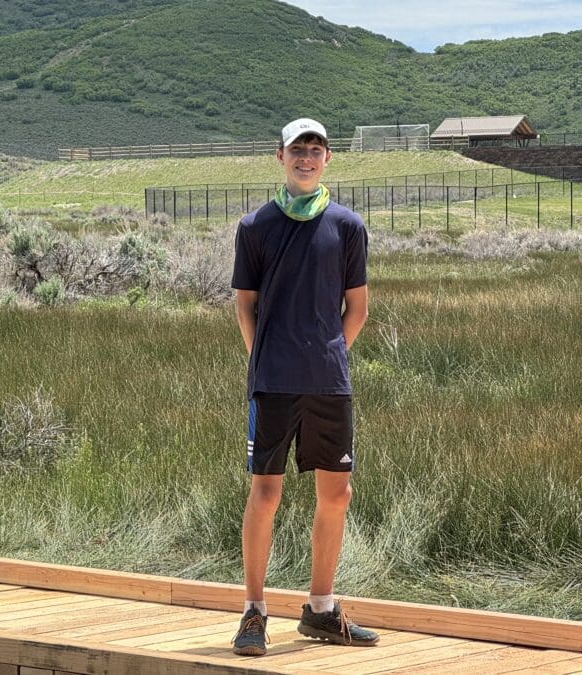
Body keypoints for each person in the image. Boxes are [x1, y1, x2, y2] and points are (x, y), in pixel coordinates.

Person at [230, 118, 376, 657]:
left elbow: (356, 308)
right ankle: (254, 611)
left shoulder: (348, 226)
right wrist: (265, 357)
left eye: (316, 149)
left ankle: (320, 609)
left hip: (328, 383)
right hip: (273, 382)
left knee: (337, 493)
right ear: (280, 156)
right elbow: (245, 304)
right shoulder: (255, 226)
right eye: (298, 149)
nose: (307, 157)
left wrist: (329, 354)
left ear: (327, 159)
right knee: (266, 494)